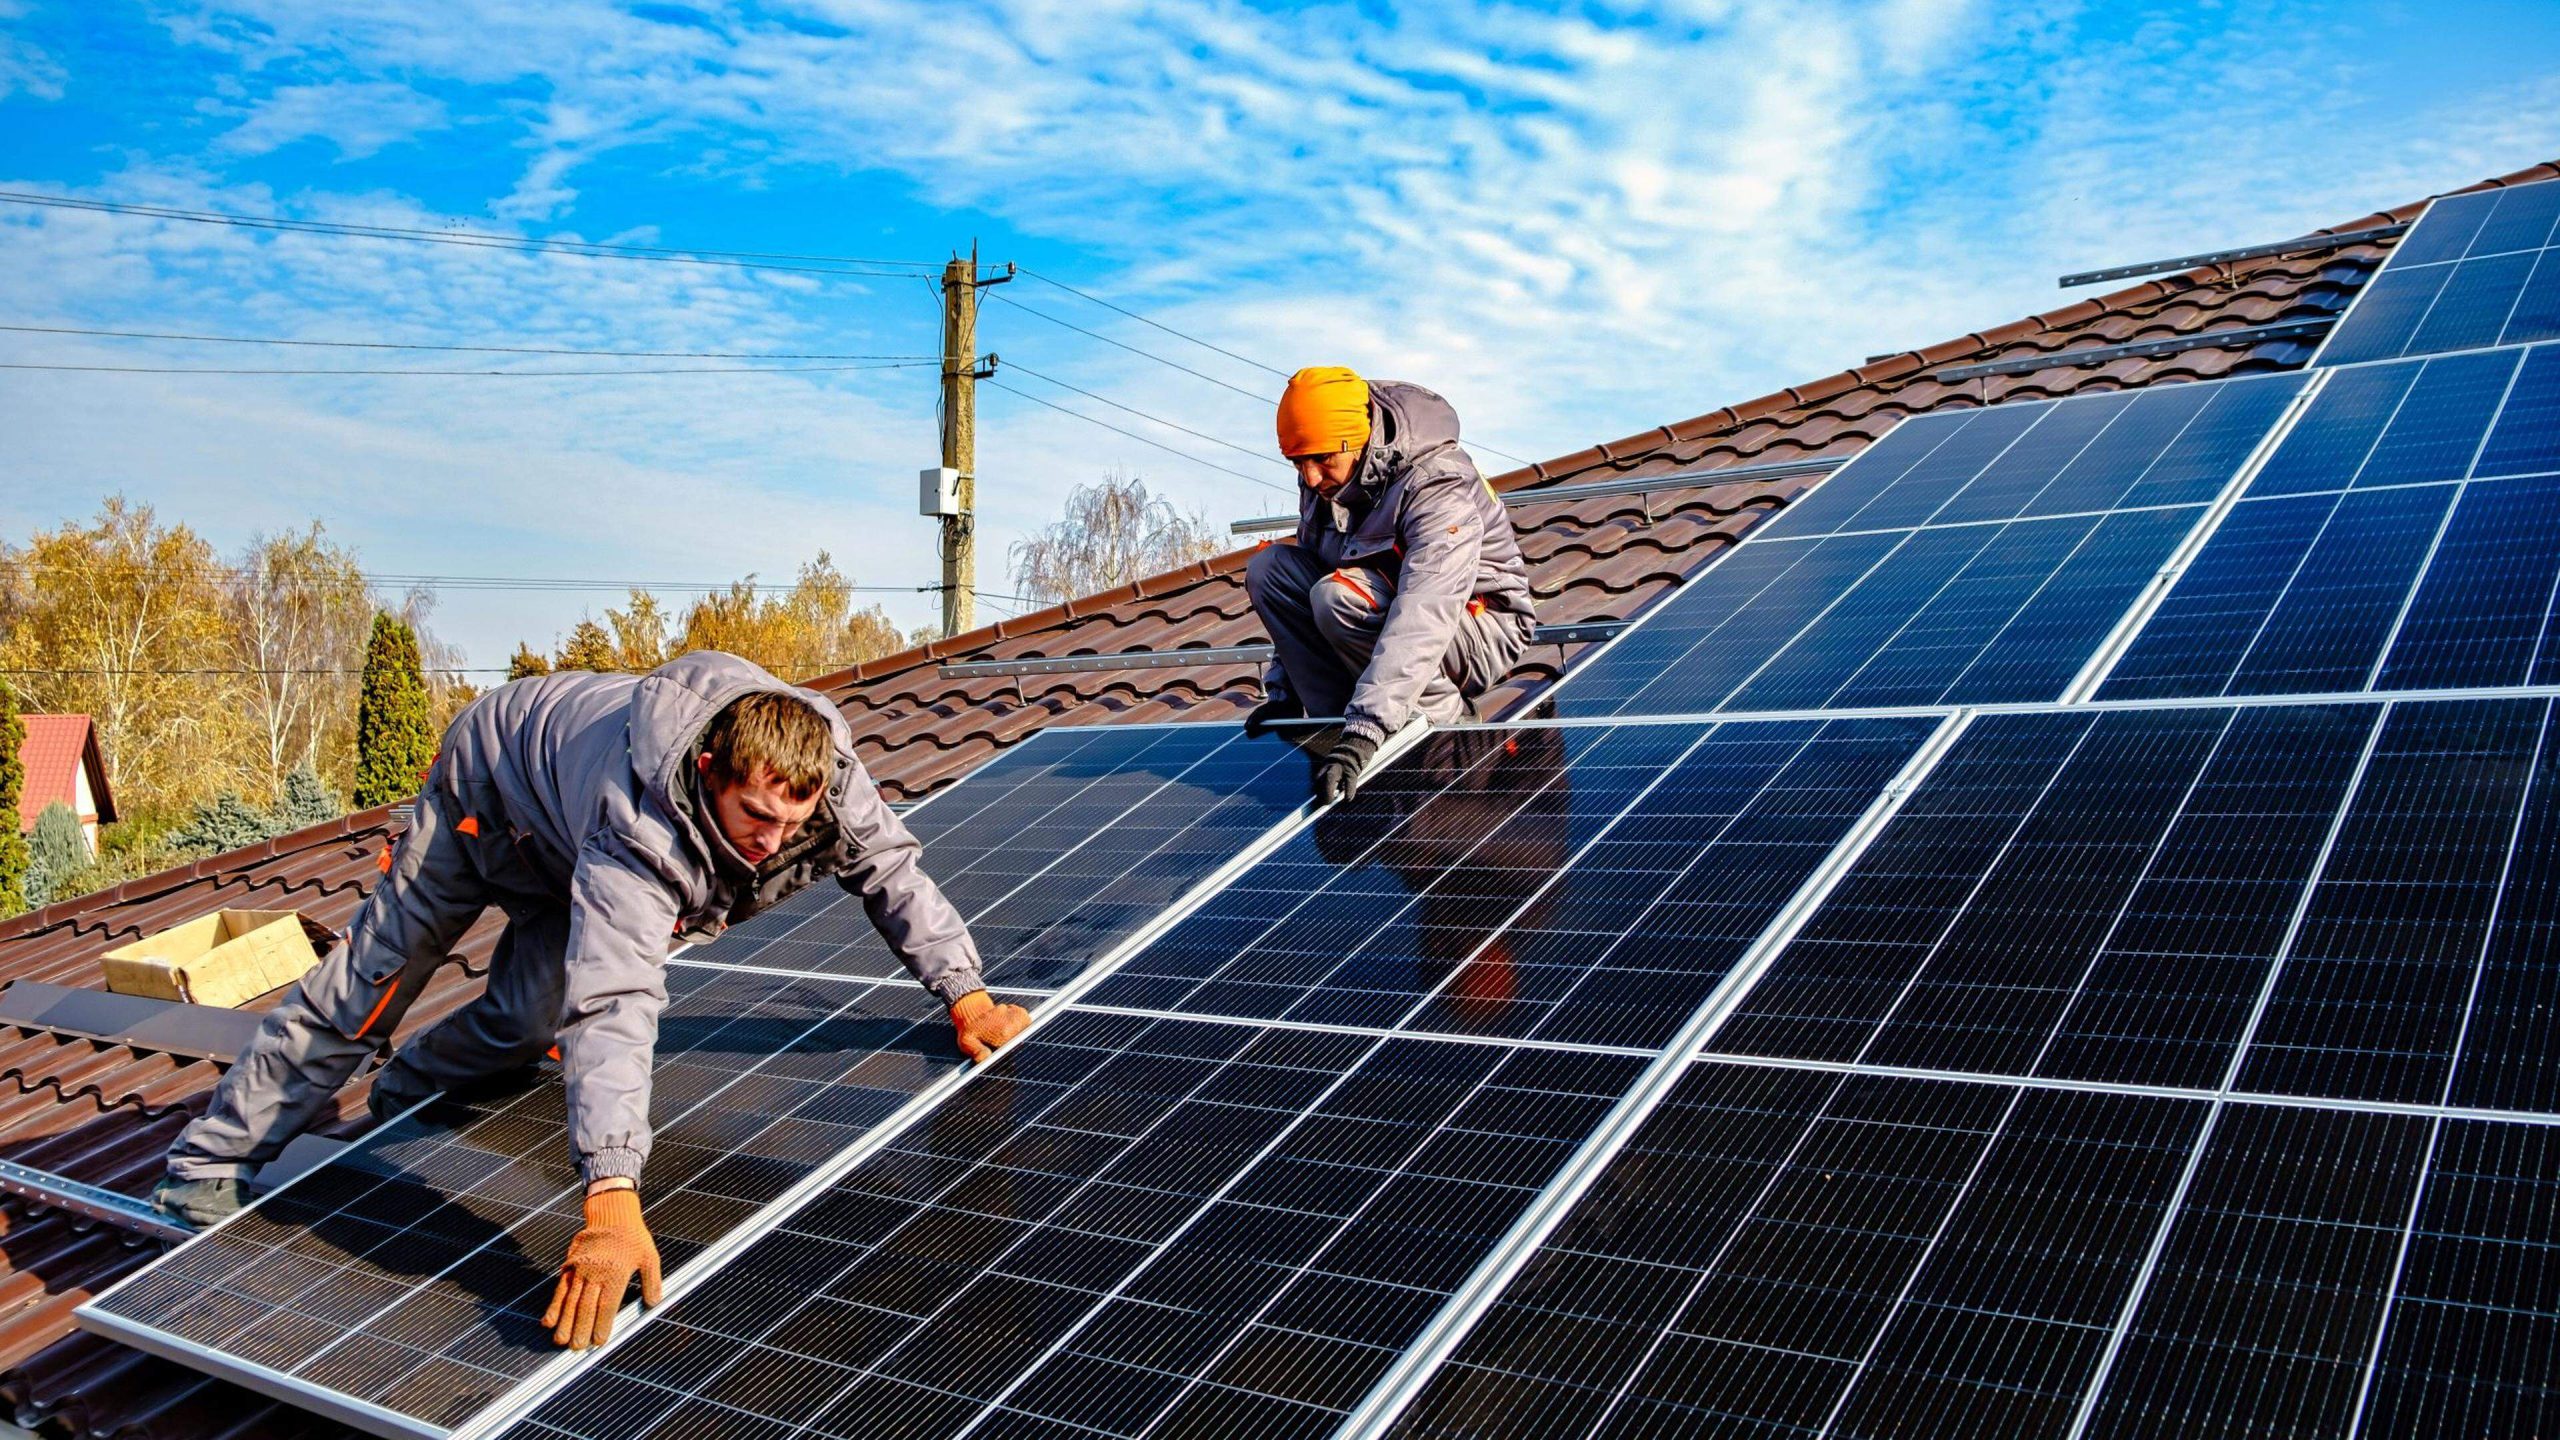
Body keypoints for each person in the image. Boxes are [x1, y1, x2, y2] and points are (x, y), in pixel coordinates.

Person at [151, 651, 1032, 1350]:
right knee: (377, 979)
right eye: (754, 816)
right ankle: (208, 1163)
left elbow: (895, 876)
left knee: (533, 1014)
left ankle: (414, 1086)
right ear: (706, 765)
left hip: (562, 824)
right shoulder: (639, 822)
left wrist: (967, 993)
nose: (772, 843)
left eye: (791, 825)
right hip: (491, 793)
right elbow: (616, 1002)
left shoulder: (824, 779)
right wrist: (612, 1193)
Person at [1243, 366, 1536, 804]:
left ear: (1359, 440)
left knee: (1338, 598)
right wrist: (1285, 694)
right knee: (1269, 570)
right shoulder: (1326, 480)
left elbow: (1427, 607)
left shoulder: (1435, 480)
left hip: (1479, 624)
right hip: (1387, 606)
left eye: (1322, 459)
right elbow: (1308, 572)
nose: (1310, 478)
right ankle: (1332, 734)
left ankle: (1439, 733)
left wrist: (1368, 728)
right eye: (1297, 462)